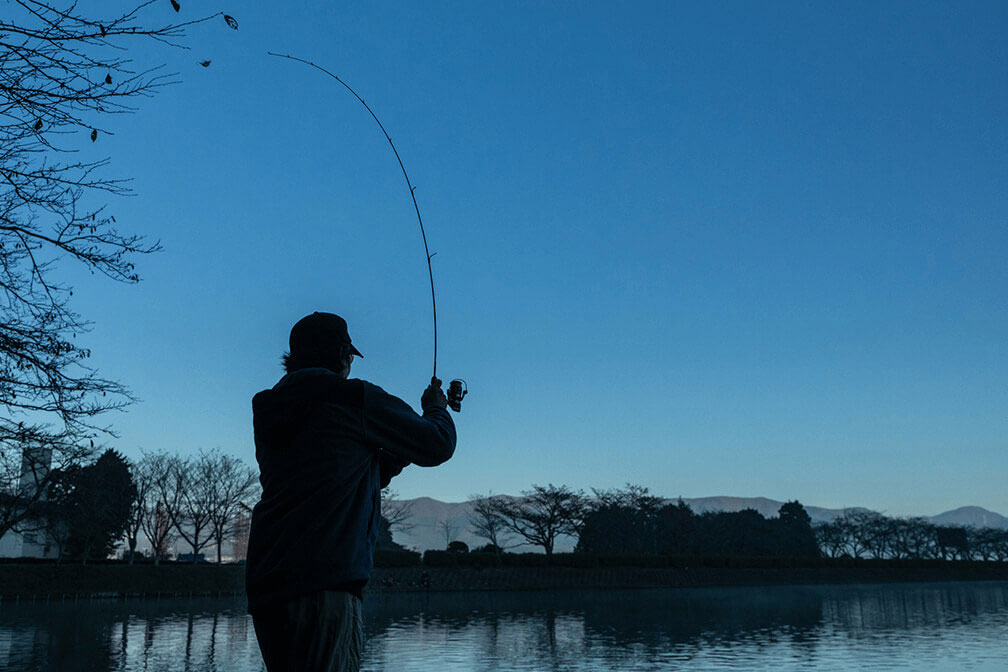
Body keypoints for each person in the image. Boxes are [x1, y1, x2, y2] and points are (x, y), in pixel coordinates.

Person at [246, 312, 457, 672]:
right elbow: (438, 444)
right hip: (324, 584)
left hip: (268, 586)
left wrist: (390, 452)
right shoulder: (353, 397)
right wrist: (436, 406)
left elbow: (333, 470)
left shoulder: (270, 407)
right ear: (343, 354)